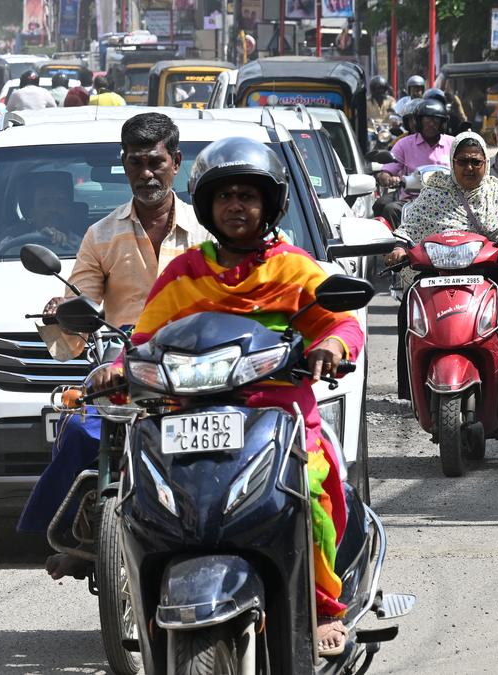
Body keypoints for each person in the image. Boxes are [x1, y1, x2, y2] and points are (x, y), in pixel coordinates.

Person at [128, 136, 363, 656]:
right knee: (138, 499)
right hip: (191, 411)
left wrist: (329, 347)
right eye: (225, 196)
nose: (236, 206)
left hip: (276, 411)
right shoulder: (184, 272)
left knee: (318, 487)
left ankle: (325, 603)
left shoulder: (293, 267)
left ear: (269, 205)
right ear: (208, 207)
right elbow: (143, 340)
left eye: (248, 196)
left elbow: (341, 325)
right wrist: (115, 368)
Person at [23, 114, 211, 579]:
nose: (146, 173)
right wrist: (61, 313)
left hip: (200, 364)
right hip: (121, 367)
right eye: (136, 163)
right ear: (123, 165)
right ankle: (83, 538)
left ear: (177, 163)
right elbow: (77, 319)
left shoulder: (209, 231)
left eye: (156, 162)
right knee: (82, 431)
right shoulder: (101, 235)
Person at [383, 131, 498, 400]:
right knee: (409, 303)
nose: (469, 168)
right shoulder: (435, 193)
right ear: (452, 163)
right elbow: (410, 228)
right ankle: (412, 387)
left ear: (485, 163)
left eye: (476, 162)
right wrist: (399, 249)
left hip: (489, 272)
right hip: (438, 273)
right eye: (463, 161)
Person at [373, 98, 454, 228]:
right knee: (390, 209)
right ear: (419, 122)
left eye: (436, 120)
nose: (431, 124)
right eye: (427, 120)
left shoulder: (454, 144)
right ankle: (398, 246)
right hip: (412, 200)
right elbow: (386, 173)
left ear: (443, 123)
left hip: (448, 201)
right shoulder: (403, 144)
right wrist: (389, 178)